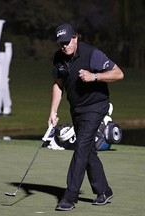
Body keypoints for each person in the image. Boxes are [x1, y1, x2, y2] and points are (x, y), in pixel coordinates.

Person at [48, 23, 124, 211]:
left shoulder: (91, 54)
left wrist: (94, 77)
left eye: (67, 42)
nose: (64, 46)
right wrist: (53, 111)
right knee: (88, 149)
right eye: (60, 44)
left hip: (96, 106)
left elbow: (119, 74)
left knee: (81, 147)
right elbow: (58, 85)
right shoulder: (59, 58)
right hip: (77, 109)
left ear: (75, 38)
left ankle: (70, 197)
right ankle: (104, 191)